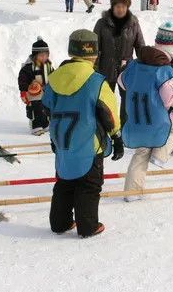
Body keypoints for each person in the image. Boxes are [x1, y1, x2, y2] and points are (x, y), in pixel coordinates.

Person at [42, 29, 124, 238]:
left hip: (62, 139)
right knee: (89, 185)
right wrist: (116, 137)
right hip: (88, 141)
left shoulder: (54, 78)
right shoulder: (96, 81)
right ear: (94, 54)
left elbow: (47, 106)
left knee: (64, 182)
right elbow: (108, 112)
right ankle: (88, 225)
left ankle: (60, 223)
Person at [120, 23, 173, 200]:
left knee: (141, 153)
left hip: (136, 119)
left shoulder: (136, 64)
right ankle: (159, 155)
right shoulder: (165, 71)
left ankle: (131, 193)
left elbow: (122, 81)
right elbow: (170, 99)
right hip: (156, 121)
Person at [93, 0, 145, 125]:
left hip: (126, 69)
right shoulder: (102, 23)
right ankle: (106, 125)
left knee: (127, 99)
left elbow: (140, 46)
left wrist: (144, 64)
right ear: (112, 7)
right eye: (117, 6)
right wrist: (93, 66)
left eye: (123, 6)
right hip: (105, 67)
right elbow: (94, 46)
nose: (120, 9)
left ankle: (124, 125)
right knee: (105, 98)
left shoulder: (133, 24)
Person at [18, 37, 54, 135]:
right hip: (34, 95)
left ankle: (46, 124)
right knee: (36, 110)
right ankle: (36, 126)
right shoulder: (29, 67)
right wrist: (23, 92)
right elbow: (22, 80)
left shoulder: (48, 65)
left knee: (46, 109)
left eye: (46, 55)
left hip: (45, 93)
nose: (44, 58)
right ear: (35, 55)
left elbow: (53, 76)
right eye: (41, 55)